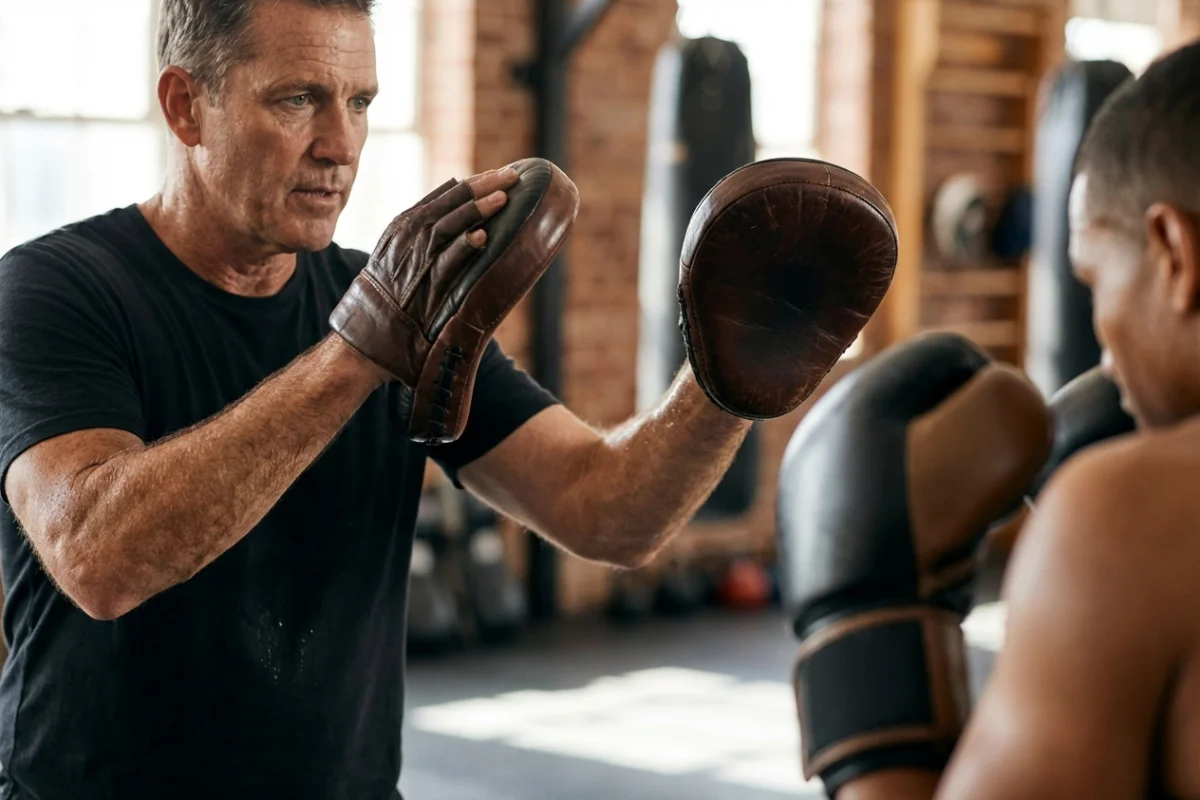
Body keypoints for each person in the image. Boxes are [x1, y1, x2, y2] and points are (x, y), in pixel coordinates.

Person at [0, 1, 896, 798]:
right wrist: (360, 351)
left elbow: (610, 512)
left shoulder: (391, 301)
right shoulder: (53, 292)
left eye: (360, 103)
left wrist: (722, 386)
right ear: (185, 106)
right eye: (297, 98)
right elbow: (100, 558)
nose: (340, 143)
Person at [777, 39, 1200, 800]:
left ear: (1175, 252)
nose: (1106, 359)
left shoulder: (1134, 519)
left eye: (1094, 279)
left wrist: (866, 628)